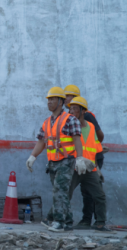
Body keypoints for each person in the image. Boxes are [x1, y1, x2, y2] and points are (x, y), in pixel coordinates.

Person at [26, 87, 85, 233]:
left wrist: (80, 158)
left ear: (61, 102)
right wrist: (32, 156)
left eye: (52, 99)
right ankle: (68, 222)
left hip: (67, 160)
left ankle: (58, 221)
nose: (49, 102)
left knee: (59, 191)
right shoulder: (46, 123)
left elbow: (77, 140)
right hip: (53, 162)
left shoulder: (70, 119)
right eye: (48, 99)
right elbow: (41, 142)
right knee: (62, 192)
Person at [66, 97, 109, 231]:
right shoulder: (67, 126)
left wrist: (98, 169)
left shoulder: (90, 127)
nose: (71, 111)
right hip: (74, 167)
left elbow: (94, 149)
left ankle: (100, 223)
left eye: (74, 108)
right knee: (65, 194)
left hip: (90, 168)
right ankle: (65, 221)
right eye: (70, 108)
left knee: (99, 195)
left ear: (83, 111)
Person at [64, 85, 104, 169]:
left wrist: (93, 146)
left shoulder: (87, 116)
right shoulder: (68, 117)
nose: (65, 98)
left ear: (75, 97)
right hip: (77, 159)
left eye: (67, 96)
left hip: (93, 157)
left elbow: (99, 136)